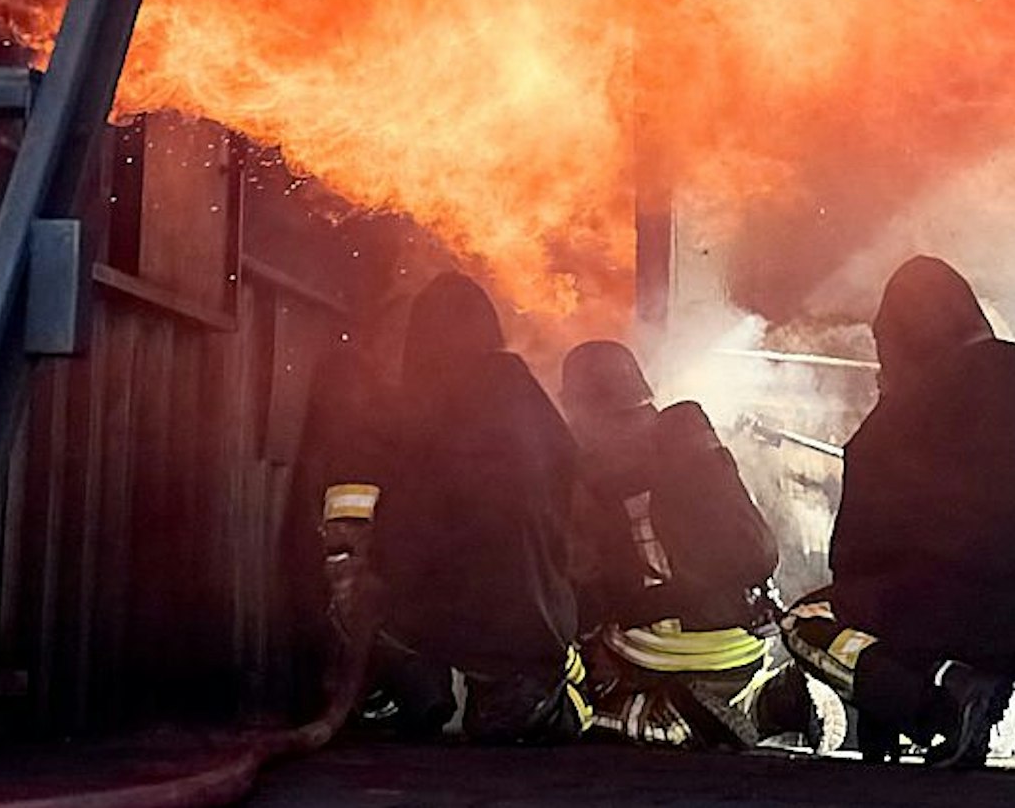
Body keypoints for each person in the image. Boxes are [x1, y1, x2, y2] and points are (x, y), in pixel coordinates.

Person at [780, 257, 1015, 770]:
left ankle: (948, 700)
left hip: (970, 624)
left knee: (806, 620)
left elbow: (853, 555)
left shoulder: (899, 414)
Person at [318, 272, 588, 743]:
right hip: (546, 630)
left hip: (462, 623)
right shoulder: (534, 406)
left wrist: (369, 576)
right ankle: (521, 694)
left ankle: (415, 687)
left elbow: (415, 538)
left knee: (357, 584)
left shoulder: (436, 418)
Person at [561, 341, 809, 749]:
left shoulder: (588, 470)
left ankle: (672, 721)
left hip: (661, 654)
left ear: (576, 404)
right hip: (745, 647)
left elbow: (582, 587)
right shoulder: (690, 441)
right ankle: (771, 702)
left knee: (580, 713)